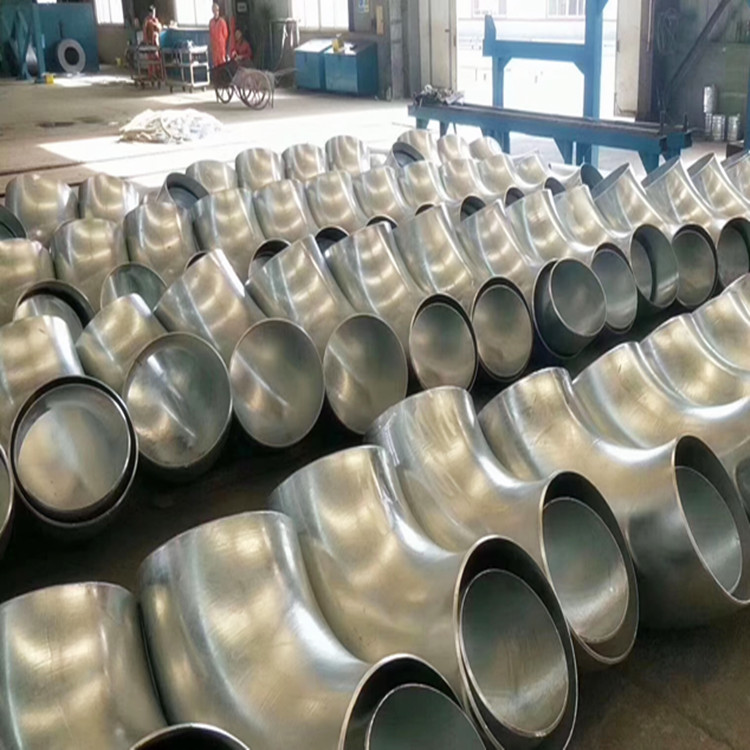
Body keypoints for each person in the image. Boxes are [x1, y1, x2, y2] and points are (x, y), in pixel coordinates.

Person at [209, 3, 229, 67]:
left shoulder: (222, 22)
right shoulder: (211, 22)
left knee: (222, 64)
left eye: (217, 10)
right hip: (214, 48)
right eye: (214, 10)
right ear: (212, 11)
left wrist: (221, 42)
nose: (215, 12)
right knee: (216, 65)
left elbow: (225, 34)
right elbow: (211, 34)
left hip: (221, 48)